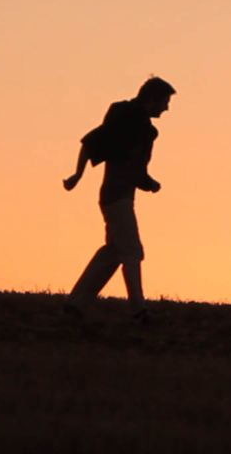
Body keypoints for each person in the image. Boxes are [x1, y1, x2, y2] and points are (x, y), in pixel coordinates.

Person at [63, 76, 176, 324]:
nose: (166, 108)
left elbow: (93, 144)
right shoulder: (137, 125)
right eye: (165, 102)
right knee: (132, 251)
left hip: (115, 195)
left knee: (113, 251)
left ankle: (76, 303)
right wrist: (148, 183)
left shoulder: (127, 118)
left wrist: (78, 175)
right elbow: (98, 146)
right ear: (152, 100)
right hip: (118, 197)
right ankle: (138, 309)